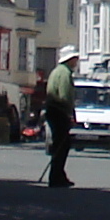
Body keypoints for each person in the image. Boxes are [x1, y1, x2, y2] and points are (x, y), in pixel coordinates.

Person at [43, 51, 78, 187]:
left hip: (53, 110)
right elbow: (65, 96)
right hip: (59, 111)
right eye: (75, 59)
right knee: (62, 145)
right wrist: (70, 114)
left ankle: (58, 174)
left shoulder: (57, 71)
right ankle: (56, 176)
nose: (76, 62)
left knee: (60, 144)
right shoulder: (65, 73)